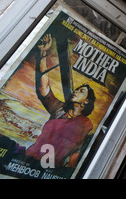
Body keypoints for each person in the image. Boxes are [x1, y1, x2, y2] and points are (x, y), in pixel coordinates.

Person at [25, 34, 96, 168]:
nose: (76, 91)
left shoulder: (86, 123)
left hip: (54, 168)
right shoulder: (59, 109)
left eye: (81, 92)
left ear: (86, 101)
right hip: (31, 160)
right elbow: (44, 88)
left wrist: (69, 172)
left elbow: (77, 150)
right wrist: (43, 53)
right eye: (77, 90)